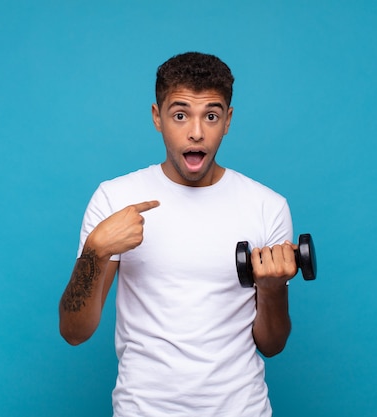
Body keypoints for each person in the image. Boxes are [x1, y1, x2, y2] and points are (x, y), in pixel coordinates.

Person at [59, 52, 299, 416]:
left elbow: (272, 344)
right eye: (181, 115)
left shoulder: (268, 206)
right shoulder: (115, 198)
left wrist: (271, 289)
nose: (196, 132)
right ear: (158, 117)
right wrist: (95, 252)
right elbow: (74, 332)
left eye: (212, 116)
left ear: (228, 121)